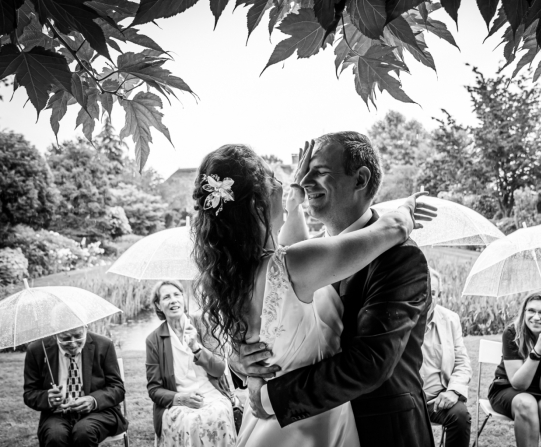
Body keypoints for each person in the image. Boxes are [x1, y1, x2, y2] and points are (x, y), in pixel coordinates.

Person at [193, 135, 436, 447]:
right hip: (307, 432)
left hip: (378, 431)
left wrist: (266, 394)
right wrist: (240, 361)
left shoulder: (399, 257)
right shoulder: (298, 260)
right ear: (259, 203)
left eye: (318, 171)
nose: (305, 180)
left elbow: (369, 363)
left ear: (360, 179)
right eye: (302, 172)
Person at [145, 280, 236, 446]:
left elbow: (219, 369)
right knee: (190, 421)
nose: (173, 300)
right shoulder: (154, 340)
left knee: (219, 412)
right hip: (178, 398)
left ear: (183, 298)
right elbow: (154, 389)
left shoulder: (203, 323)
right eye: (166, 297)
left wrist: (196, 347)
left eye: (177, 295)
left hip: (210, 393)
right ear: (158, 305)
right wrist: (180, 398)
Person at [487, 292, 541, 447]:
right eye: (531, 311)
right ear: (524, 312)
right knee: (526, 403)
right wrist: (538, 351)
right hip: (509, 388)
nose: (536, 317)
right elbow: (519, 385)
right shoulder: (513, 333)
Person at [23, 325, 127, 447]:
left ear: (85, 327)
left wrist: (93, 400)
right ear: (55, 333)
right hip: (56, 414)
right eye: (65, 338)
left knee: (84, 432)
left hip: (100, 412)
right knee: (55, 436)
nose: (72, 343)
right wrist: (47, 398)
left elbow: (117, 388)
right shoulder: (37, 350)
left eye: (78, 336)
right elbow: (30, 393)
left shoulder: (104, 344)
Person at [421, 269, 472, 447]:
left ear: (439, 295)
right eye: (422, 290)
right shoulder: (398, 319)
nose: (427, 297)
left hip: (437, 400)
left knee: (460, 416)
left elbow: (462, 363)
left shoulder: (451, 319)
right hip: (406, 398)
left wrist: (454, 391)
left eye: (433, 293)